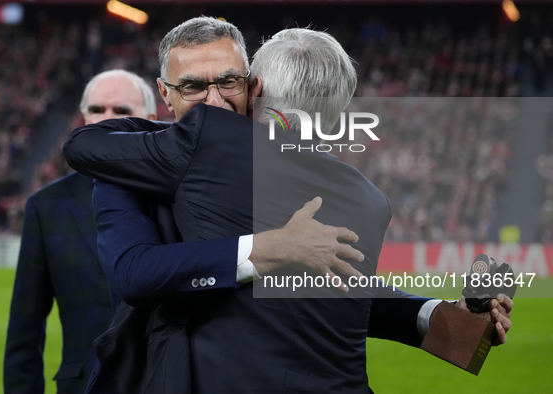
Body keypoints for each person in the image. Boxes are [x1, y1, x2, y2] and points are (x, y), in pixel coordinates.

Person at [64, 19, 513, 393]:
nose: (215, 101)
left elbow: (334, 288)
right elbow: (133, 274)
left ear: (254, 87)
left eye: (228, 82)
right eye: (194, 87)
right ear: (165, 93)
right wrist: (265, 249)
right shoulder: (369, 199)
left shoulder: (223, 152)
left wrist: (442, 317)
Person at [4, 69, 158, 394]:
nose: (107, 119)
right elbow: (24, 331)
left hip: (164, 381)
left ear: (150, 118)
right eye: (97, 110)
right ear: (83, 118)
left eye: (122, 111)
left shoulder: (178, 196)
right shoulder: (46, 207)